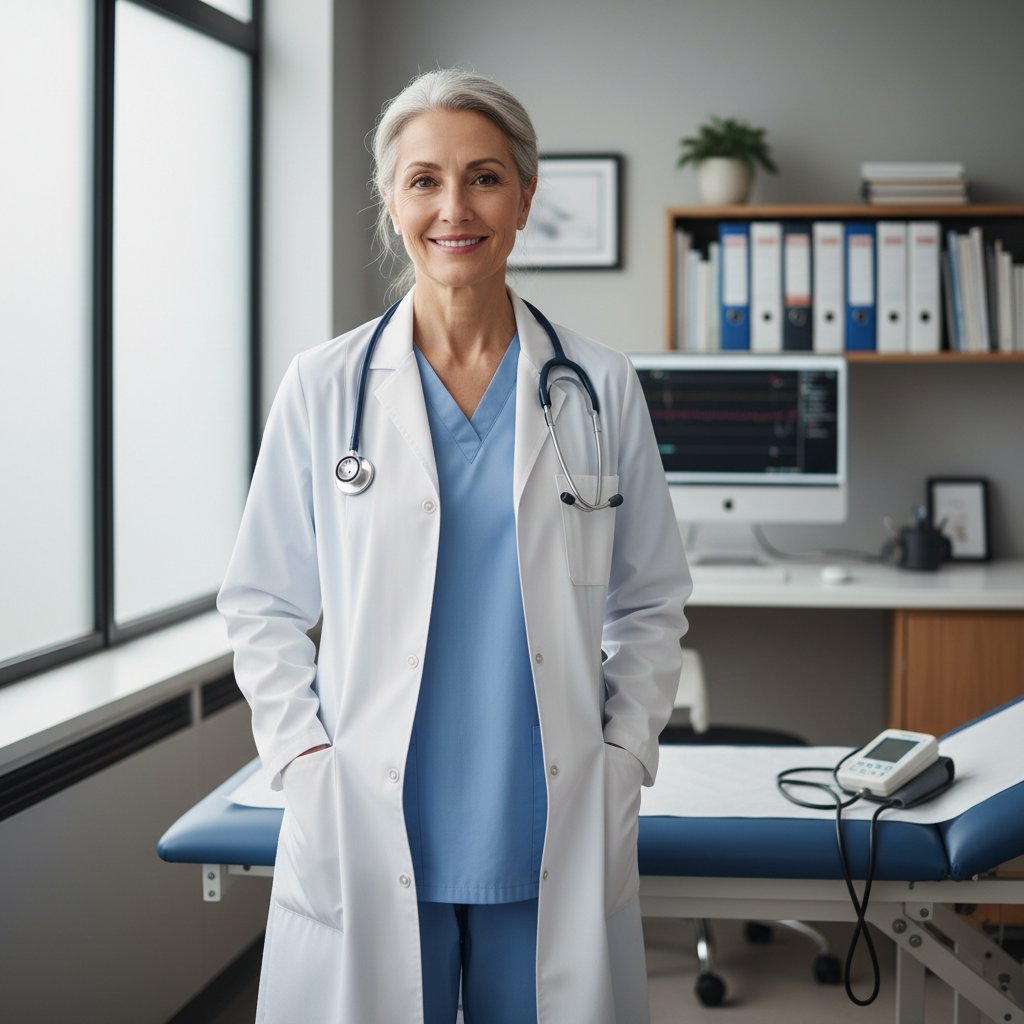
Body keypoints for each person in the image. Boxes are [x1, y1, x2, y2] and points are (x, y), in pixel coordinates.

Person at [217, 68, 691, 1024]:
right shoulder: (324, 386)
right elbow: (261, 602)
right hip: (373, 814)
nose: (453, 208)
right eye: (424, 180)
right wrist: (305, 762)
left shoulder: (597, 387)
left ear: (523, 196)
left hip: (545, 811)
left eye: (482, 177)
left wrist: (623, 750)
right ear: (392, 200)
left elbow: (651, 598)